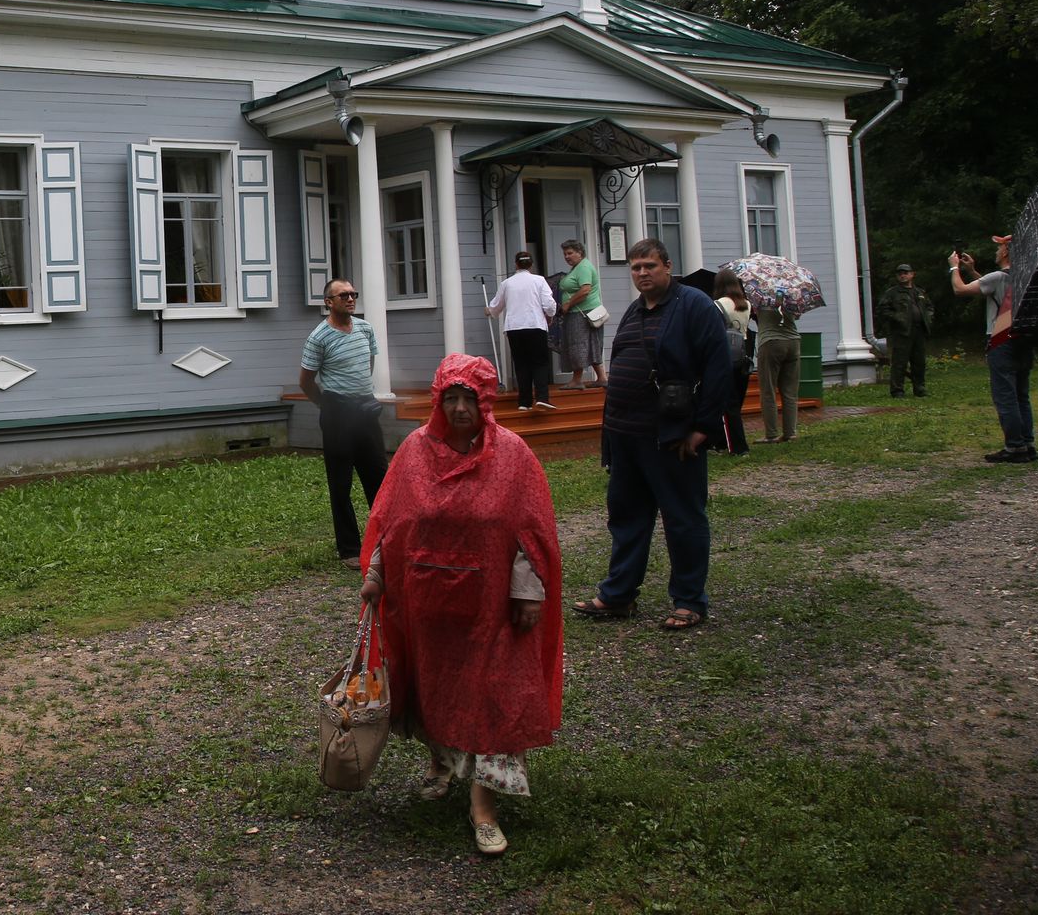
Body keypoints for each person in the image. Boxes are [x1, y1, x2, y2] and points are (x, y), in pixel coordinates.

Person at [357, 353, 562, 857]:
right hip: (427, 604)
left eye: (468, 397)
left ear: (485, 401)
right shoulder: (414, 451)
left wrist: (528, 590)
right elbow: (393, 521)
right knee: (434, 689)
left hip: (491, 608)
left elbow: (531, 531)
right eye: (450, 397)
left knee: (492, 698)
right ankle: (441, 762)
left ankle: (484, 807)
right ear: (437, 401)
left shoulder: (511, 455)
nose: (459, 407)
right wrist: (378, 575)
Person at [572, 237, 732, 631]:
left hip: (671, 437)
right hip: (627, 437)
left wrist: (701, 429)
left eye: (649, 266)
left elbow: (718, 370)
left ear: (668, 266)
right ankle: (618, 595)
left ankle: (690, 600)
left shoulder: (694, 306)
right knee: (626, 518)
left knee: (683, 519)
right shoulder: (634, 310)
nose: (642, 273)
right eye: (636, 267)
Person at [300, 278, 391, 563]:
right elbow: (305, 381)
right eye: (343, 295)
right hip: (337, 414)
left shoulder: (365, 329)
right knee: (341, 485)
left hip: (366, 411)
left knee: (379, 478)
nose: (351, 299)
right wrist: (326, 404)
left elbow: (368, 366)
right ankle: (350, 550)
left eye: (353, 294)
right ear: (329, 302)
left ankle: (385, 543)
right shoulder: (319, 337)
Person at [952, 237, 1037, 464]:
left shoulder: (998, 277)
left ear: (1007, 252)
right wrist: (972, 271)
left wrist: (954, 267)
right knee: (1021, 396)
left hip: (1001, 342)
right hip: (1023, 341)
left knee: (1005, 397)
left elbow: (959, 290)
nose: (997, 250)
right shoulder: (1025, 278)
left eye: (1000, 247)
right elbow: (990, 289)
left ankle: (1013, 447)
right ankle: (1027, 444)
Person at [485, 251, 558, 412]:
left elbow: (496, 305)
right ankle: (542, 397)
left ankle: (524, 402)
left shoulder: (507, 283)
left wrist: (489, 311)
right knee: (539, 362)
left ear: (516, 264)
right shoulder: (539, 281)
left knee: (521, 363)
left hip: (514, 327)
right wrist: (550, 315)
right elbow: (549, 304)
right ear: (531, 265)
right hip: (535, 325)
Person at [555, 239, 608, 389]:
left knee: (578, 345)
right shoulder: (578, 267)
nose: (567, 256)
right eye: (565, 254)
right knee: (592, 344)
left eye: (570, 253)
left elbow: (585, 290)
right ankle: (602, 377)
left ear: (580, 253)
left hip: (582, 313)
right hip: (586, 313)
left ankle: (577, 380)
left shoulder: (583, 267)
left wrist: (567, 304)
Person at [876, 262, 933, 399]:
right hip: (902, 331)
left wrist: (929, 318)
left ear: (912, 274)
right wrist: (898, 318)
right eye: (900, 273)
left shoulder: (919, 292)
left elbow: (929, 307)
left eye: (905, 273)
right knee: (899, 362)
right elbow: (883, 310)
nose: (903, 275)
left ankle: (919, 387)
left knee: (919, 361)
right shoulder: (892, 293)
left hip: (919, 330)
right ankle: (897, 390)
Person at [711, 270, 753, 454]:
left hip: (725, 356)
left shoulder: (718, 305)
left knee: (727, 403)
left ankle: (737, 446)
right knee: (736, 401)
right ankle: (725, 441)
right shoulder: (747, 305)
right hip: (743, 357)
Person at [754, 304, 801, 442]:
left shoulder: (761, 297)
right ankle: (790, 433)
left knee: (768, 389)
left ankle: (771, 434)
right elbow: (796, 316)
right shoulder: (792, 296)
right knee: (790, 391)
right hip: (793, 342)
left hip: (770, 342)